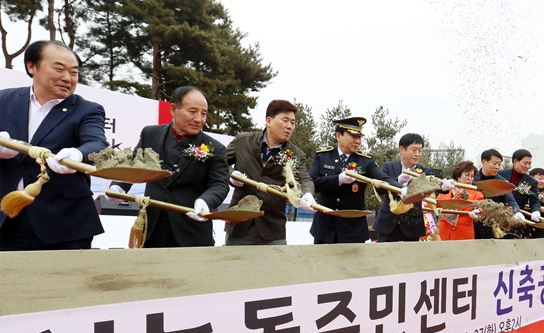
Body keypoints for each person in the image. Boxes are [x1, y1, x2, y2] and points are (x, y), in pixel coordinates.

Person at [0, 40, 108, 251]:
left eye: (74, 72)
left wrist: (77, 155)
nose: (67, 78)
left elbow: (97, 143)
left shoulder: (87, 109)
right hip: (5, 215)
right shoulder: (3, 100)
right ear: (32, 66)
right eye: (59, 69)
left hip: (63, 223)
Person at [109, 86, 229, 247]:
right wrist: (118, 186)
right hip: (151, 225)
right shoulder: (150, 134)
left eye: (203, 113)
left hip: (191, 230)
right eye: (193, 111)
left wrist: (206, 201)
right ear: (173, 109)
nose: (199, 119)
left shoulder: (215, 147)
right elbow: (135, 164)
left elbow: (219, 184)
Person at [225, 100, 315, 245]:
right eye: (285, 120)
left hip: (273, 228)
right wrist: (232, 175)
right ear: (269, 120)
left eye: (293, 122)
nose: (289, 126)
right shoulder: (243, 141)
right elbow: (220, 164)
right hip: (240, 222)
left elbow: (304, 179)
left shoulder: (295, 154)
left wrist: (307, 194)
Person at [309, 117, 402, 244]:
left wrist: (401, 189)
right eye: (353, 136)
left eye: (359, 137)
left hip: (353, 229)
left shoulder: (365, 160)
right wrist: (338, 179)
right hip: (325, 228)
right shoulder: (323, 156)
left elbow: (383, 178)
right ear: (338, 135)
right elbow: (312, 183)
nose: (357, 141)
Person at [374, 133, 452, 242]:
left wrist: (444, 187)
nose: (417, 154)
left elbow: (433, 186)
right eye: (414, 150)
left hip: (412, 226)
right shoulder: (389, 166)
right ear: (402, 149)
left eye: (420, 151)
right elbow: (379, 189)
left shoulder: (424, 171)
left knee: (410, 257)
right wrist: (398, 181)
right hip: (388, 223)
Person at [473, 149, 523, 239]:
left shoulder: (502, 182)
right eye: (494, 163)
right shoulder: (473, 179)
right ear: (484, 162)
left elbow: (510, 200)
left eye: (499, 164)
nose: (497, 167)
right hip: (474, 223)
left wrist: (517, 212)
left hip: (495, 225)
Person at [437, 161, 485, 240]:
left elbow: (481, 209)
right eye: (467, 175)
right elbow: (436, 206)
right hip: (443, 234)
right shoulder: (446, 190)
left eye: (472, 176)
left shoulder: (477, 194)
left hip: (464, 236)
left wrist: (477, 212)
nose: (470, 179)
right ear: (458, 175)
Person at [529, 167, 544, 238]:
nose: (543, 181)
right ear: (531, 177)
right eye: (540, 178)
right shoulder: (524, 189)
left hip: (542, 227)